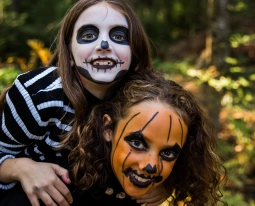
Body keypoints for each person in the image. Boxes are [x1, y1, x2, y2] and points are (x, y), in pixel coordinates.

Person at [0, 0, 168, 205]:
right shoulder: (37, 95)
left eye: (118, 36)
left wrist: (166, 183)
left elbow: (175, 152)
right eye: (88, 35)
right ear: (69, 53)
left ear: (135, 53)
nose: (104, 45)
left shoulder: (151, 103)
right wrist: (21, 168)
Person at [62, 71, 227, 206]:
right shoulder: (59, 180)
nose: (151, 166)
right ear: (108, 129)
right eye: (137, 143)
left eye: (168, 153)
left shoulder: (160, 193)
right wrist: (34, 167)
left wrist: (169, 184)